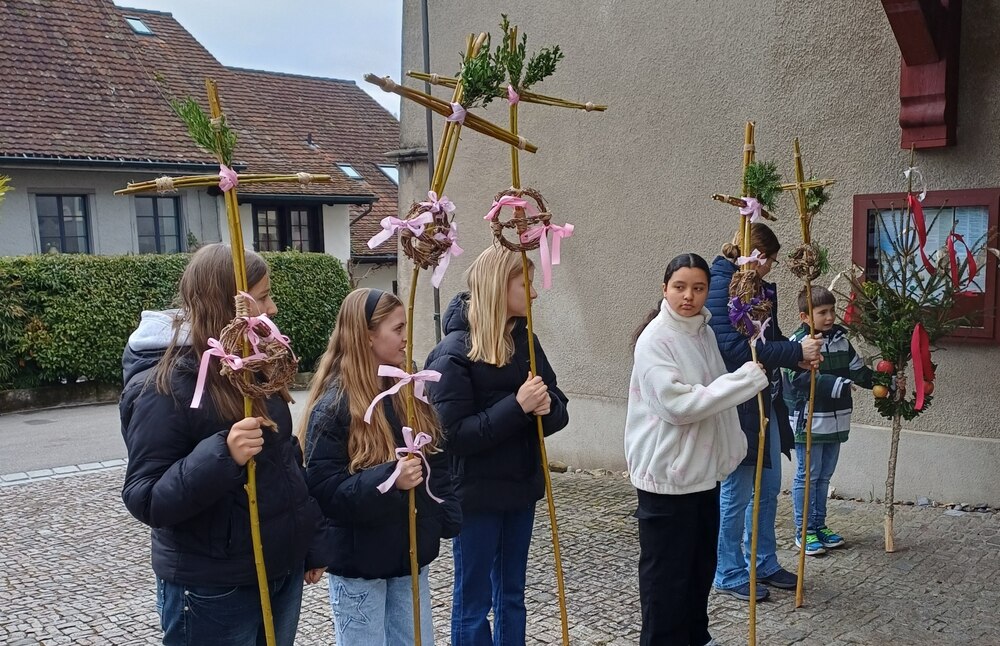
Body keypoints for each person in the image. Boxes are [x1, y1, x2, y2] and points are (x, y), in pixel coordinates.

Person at [120, 243, 327, 646]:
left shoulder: (254, 371)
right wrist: (222, 454)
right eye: (263, 296)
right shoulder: (164, 389)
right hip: (212, 586)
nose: (274, 308)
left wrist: (309, 542)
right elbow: (146, 498)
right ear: (228, 305)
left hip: (277, 572)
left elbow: (286, 462)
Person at [425, 245, 570, 646]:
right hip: (475, 497)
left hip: (520, 490)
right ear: (497, 287)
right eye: (526, 283)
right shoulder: (453, 353)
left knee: (512, 596)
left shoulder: (525, 341)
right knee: (473, 601)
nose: (535, 293)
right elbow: (451, 437)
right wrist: (518, 406)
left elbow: (558, 410)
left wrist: (545, 408)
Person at [299, 287, 460, 645]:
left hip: (407, 559)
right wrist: (389, 479)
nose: (407, 339)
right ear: (368, 336)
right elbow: (325, 492)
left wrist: (445, 515)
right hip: (360, 566)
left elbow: (436, 457)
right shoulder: (335, 406)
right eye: (398, 329)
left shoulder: (409, 391)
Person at [626, 253, 768, 646]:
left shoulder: (702, 331)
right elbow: (678, 405)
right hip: (667, 477)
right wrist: (743, 383)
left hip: (702, 475)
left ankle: (695, 637)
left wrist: (730, 449)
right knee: (666, 580)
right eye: (680, 287)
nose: (689, 296)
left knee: (698, 569)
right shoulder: (655, 340)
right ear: (664, 288)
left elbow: (712, 390)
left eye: (699, 288)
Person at [707, 224, 824, 602]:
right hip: (739, 405)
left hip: (766, 401)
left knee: (769, 488)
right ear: (756, 255)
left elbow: (767, 340)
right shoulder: (721, 286)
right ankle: (727, 569)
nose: (772, 268)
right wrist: (795, 353)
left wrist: (798, 355)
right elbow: (738, 353)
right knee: (737, 492)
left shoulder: (757, 286)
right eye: (770, 260)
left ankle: (762, 560)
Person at [782, 285, 873, 555]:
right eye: (822, 312)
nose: (830, 317)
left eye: (832, 310)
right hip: (808, 420)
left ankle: (819, 525)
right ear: (805, 317)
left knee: (824, 476)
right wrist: (838, 384)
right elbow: (797, 380)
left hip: (835, 420)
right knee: (807, 475)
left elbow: (859, 372)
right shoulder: (797, 344)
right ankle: (803, 531)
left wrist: (886, 381)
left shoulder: (841, 341)